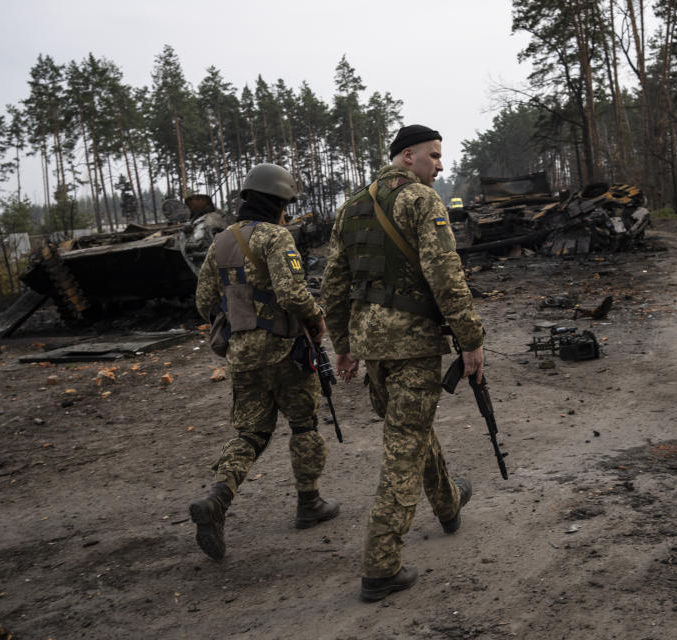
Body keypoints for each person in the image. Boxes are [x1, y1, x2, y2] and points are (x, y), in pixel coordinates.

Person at [321, 125, 485, 601]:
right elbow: (446, 274)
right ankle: (380, 565)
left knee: (408, 431)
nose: (440, 165)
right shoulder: (421, 201)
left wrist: (345, 344)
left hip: (373, 347)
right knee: (403, 449)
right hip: (412, 345)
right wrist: (470, 337)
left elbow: (333, 283)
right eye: (434, 156)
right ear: (407, 157)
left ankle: (448, 502)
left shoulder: (351, 206)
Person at [189, 163, 339, 561]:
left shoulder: (220, 242)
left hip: (240, 355)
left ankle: (217, 500)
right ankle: (310, 504)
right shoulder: (277, 238)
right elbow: (292, 293)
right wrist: (317, 316)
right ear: (279, 203)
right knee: (304, 425)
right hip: (284, 349)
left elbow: (204, 302)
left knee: (251, 433)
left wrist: (239, 319)